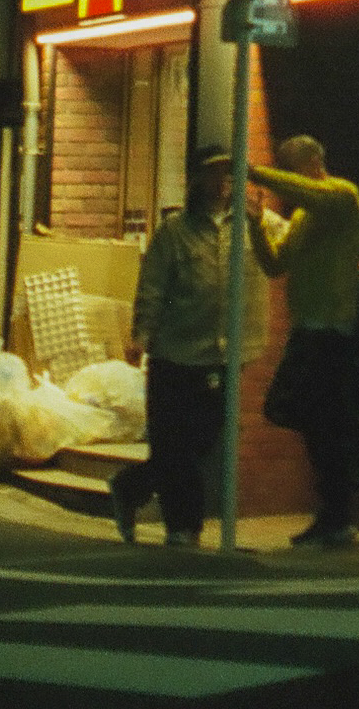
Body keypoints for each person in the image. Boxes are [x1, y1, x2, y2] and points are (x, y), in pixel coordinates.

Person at [250, 134, 359, 547]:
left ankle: (335, 513)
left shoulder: (342, 195)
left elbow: (310, 194)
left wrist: (255, 171)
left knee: (313, 419)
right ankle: (335, 509)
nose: (292, 180)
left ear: (313, 161)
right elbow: (276, 264)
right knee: (305, 416)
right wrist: (257, 224)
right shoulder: (304, 217)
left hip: (328, 328)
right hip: (311, 327)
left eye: (295, 169)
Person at [111, 144, 233, 549]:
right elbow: (153, 287)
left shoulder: (244, 228)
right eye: (213, 175)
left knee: (201, 440)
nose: (221, 183)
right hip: (174, 352)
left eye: (226, 174)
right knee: (174, 444)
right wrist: (141, 334)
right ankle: (184, 527)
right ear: (195, 180)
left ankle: (131, 486)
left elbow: (284, 251)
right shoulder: (175, 233)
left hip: (219, 354)